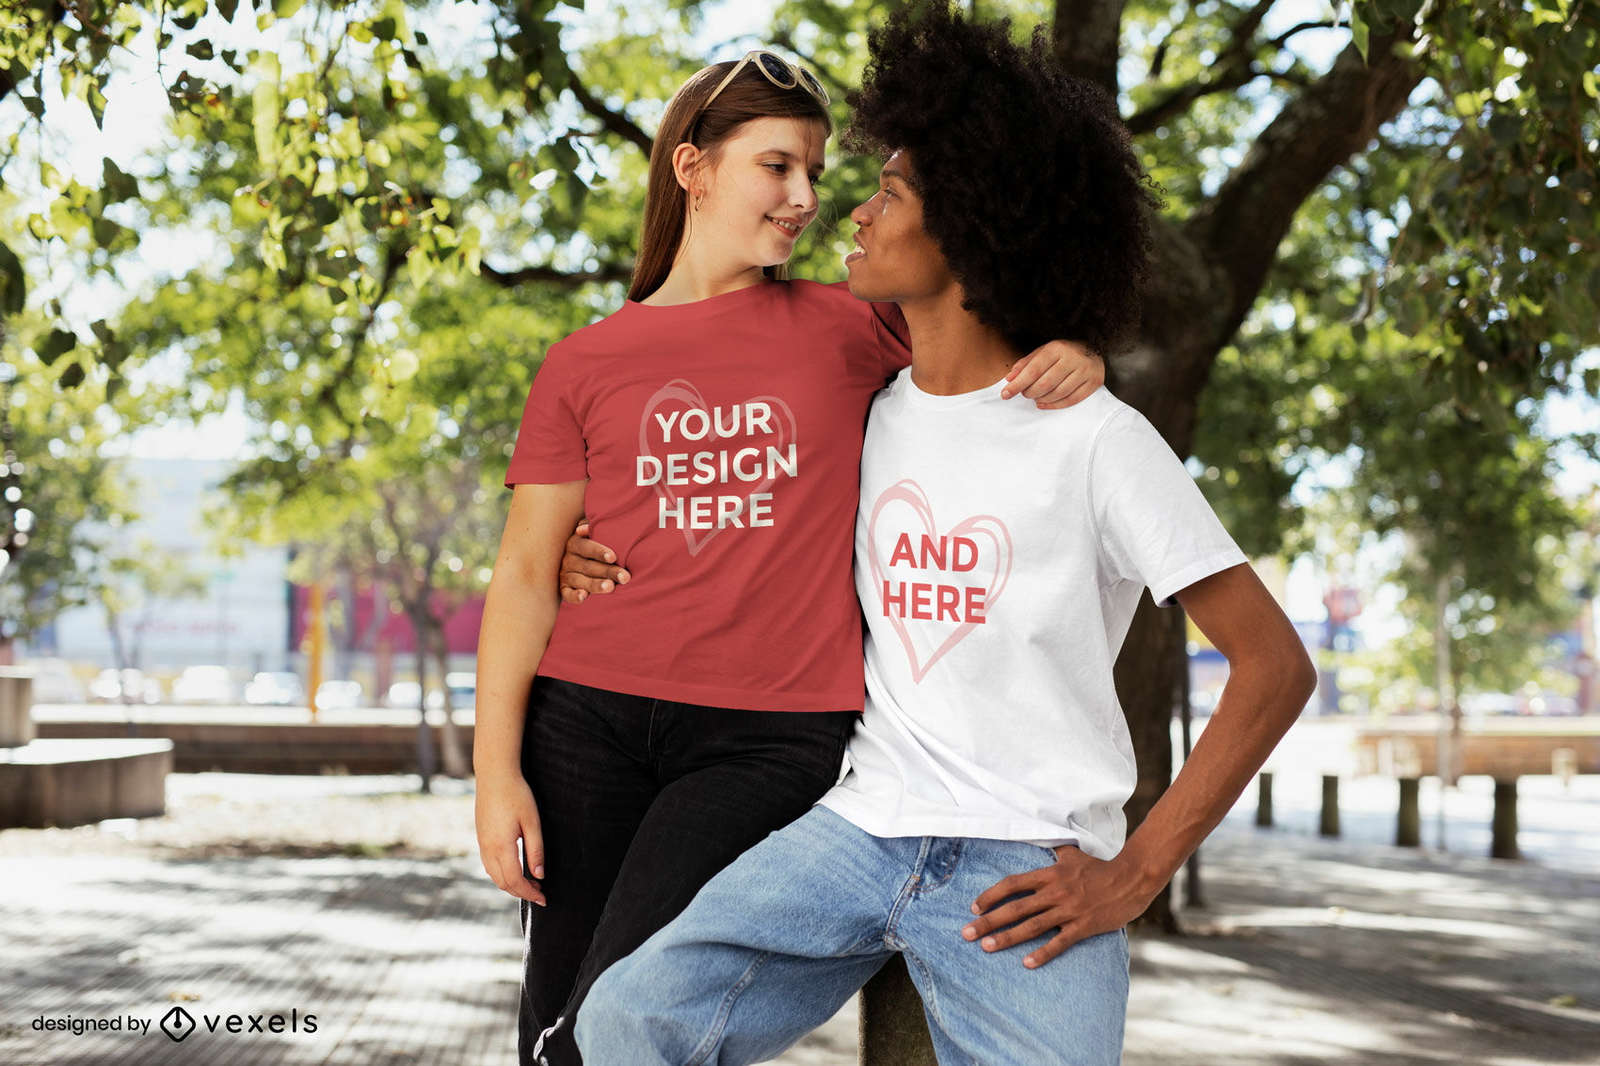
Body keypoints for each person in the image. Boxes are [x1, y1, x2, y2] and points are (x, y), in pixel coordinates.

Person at [572, 6, 1319, 1063]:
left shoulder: (1097, 440)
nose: (853, 209)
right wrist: (578, 551)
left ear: (969, 225)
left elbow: (1273, 665)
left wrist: (1133, 873)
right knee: (625, 1022)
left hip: (1023, 869)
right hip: (857, 829)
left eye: (891, 189)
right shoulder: (858, 411)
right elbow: (713, 516)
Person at [472, 42, 1105, 1066]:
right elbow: (522, 572)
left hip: (767, 738)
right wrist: (492, 771)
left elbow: (986, 351)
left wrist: (1076, 347)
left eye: (815, 169)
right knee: (552, 1024)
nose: (806, 196)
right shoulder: (583, 361)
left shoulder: (849, 324)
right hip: (583, 719)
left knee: (622, 1012)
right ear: (694, 168)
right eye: (778, 165)